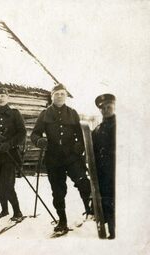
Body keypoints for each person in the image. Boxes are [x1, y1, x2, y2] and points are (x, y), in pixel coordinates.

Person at [31, 83, 91, 233]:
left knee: (83, 183)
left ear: (66, 96)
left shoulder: (72, 113)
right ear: (51, 96)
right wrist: (39, 141)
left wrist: (80, 147)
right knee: (57, 191)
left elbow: (81, 135)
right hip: (53, 159)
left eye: (62, 94)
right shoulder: (44, 114)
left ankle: (90, 212)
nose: (59, 96)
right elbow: (34, 134)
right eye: (56, 94)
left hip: (72, 157)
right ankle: (62, 221)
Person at [0, 88, 27, 221]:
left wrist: (10, 143)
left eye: (3, 96)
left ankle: (17, 212)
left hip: (9, 155)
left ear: (8, 97)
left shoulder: (15, 113)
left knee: (7, 185)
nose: (0, 98)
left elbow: (22, 133)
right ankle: (4, 210)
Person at [92, 93, 116, 239]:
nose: (106, 110)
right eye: (103, 108)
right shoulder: (97, 130)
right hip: (102, 173)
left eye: (109, 106)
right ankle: (111, 230)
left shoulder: (122, 126)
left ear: (114, 107)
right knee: (106, 200)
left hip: (116, 172)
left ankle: (115, 232)